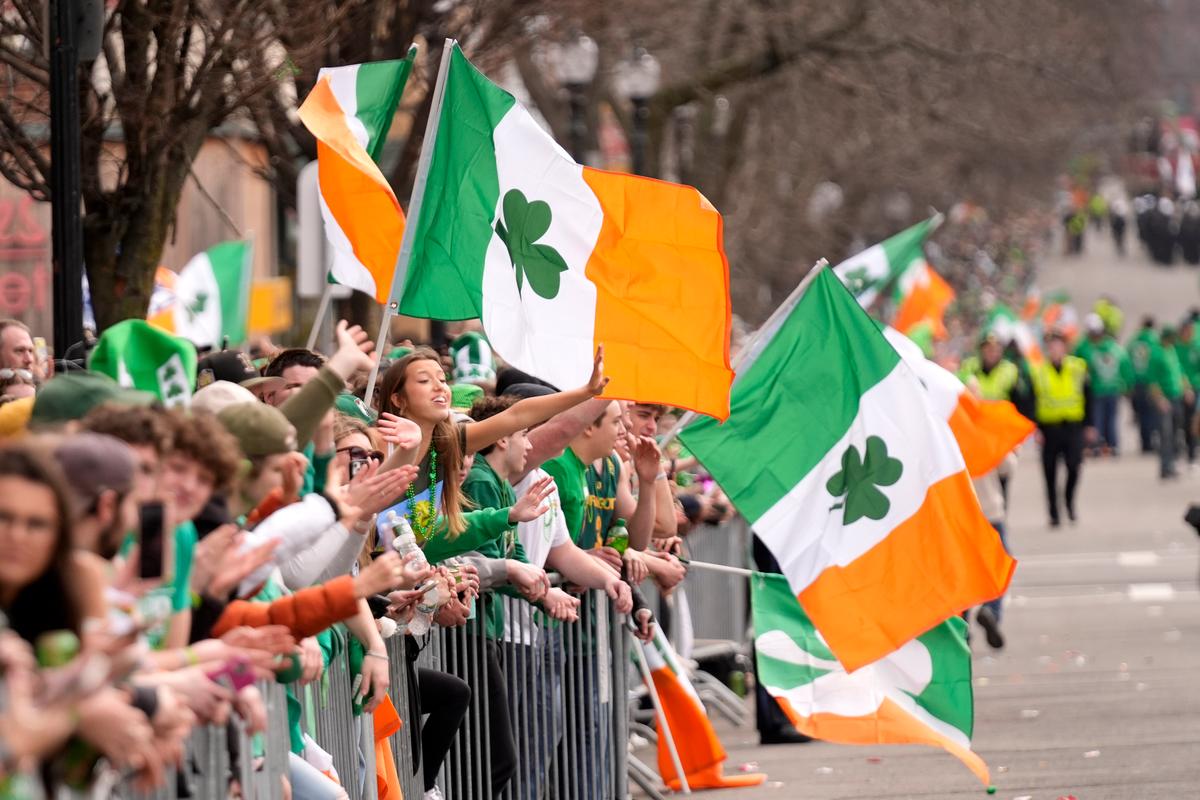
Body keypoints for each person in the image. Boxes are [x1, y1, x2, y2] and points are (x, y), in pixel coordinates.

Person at [1029, 330, 1092, 527]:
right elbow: (1032, 401)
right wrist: (1035, 429)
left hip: (1073, 426)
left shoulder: (1077, 367)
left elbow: (1088, 396)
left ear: (1065, 347)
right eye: (1051, 346)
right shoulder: (1039, 372)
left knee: (1074, 466)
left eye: (1058, 345)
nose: (1055, 350)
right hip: (1049, 428)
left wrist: (1089, 425)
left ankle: (1069, 501)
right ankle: (1054, 512)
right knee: (1049, 472)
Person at [1074, 313, 1132, 456]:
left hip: (1107, 389)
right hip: (1097, 390)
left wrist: (1127, 384)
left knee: (1107, 419)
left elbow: (1124, 365)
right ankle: (1100, 444)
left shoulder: (1106, 347)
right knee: (1099, 419)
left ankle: (1110, 444)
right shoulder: (1086, 346)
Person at [1149, 326, 1191, 480]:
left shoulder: (1171, 350)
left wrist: (1186, 388)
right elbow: (1152, 381)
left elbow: (1179, 371)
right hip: (1165, 398)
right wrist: (1159, 399)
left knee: (1175, 431)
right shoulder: (1156, 354)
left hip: (1177, 395)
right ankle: (1165, 466)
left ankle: (1173, 463)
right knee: (1165, 433)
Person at [1127, 316, 1162, 454]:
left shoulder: (1134, 341)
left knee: (1141, 414)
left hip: (1137, 382)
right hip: (1151, 382)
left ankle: (1145, 442)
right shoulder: (1155, 341)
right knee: (1153, 414)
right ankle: (1152, 441)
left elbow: (1127, 361)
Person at [1174, 321, 1200, 468]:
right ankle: (1179, 452)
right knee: (1180, 423)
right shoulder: (1176, 348)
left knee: (1193, 422)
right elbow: (1177, 369)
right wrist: (1185, 387)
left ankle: (1192, 455)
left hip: (1195, 388)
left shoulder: (1196, 347)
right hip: (1180, 389)